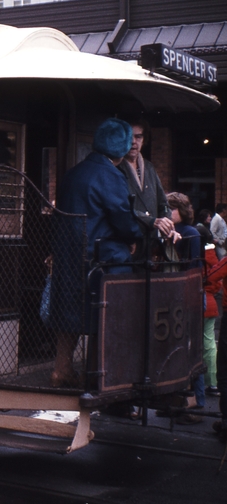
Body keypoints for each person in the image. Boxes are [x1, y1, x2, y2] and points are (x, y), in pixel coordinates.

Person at [50, 118, 143, 387]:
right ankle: (101, 377)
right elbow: (121, 217)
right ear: (123, 147)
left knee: (69, 313)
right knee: (108, 317)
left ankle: (61, 369)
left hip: (70, 252)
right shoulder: (111, 174)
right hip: (102, 257)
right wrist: (133, 236)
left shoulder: (74, 172)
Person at [167, 193, 207, 420]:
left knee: (192, 348)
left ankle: (198, 399)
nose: (167, 213)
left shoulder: (189, 233)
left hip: (190, 296)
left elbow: (190, 268)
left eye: (170, 209)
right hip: (178, 297)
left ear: (181, 210)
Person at [117, 119, 175, 241]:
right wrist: (151, 221)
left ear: (144, 139)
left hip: (150, 242)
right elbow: (119, 207)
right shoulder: (116, 167)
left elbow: (163, 204)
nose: (133, 142)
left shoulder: (149, 167)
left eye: (138, 137)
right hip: (127, 240)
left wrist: (168, 226)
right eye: (129, 136)